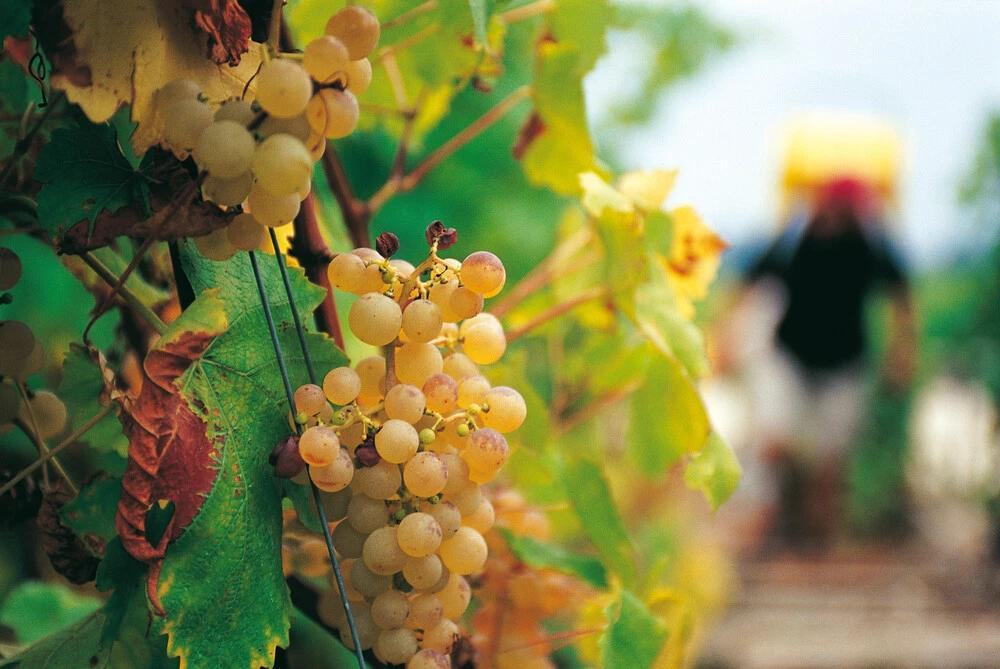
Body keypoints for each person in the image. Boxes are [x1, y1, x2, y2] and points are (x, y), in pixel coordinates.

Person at [733, 176, 917, 547]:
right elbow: (747, 282)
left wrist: (903, 352)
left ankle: (817, 537)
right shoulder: (790, 241)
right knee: (774, 436)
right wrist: (726, 335)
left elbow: (901, 296)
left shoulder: (870, 247)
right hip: (788, 356)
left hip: (845, 363)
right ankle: (760, 521)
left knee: (831, 456)